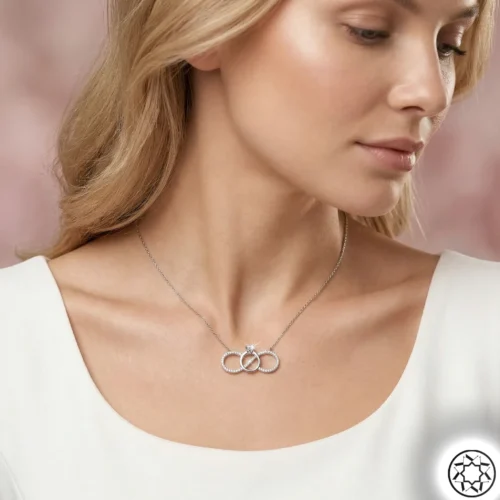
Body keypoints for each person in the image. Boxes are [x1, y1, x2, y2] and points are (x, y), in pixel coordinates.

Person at [1, 0, 499, 498]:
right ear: (206, 27)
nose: (431, 93)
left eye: (448, 45)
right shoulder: (17, 348)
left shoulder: (483, 334)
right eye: (368, 31)